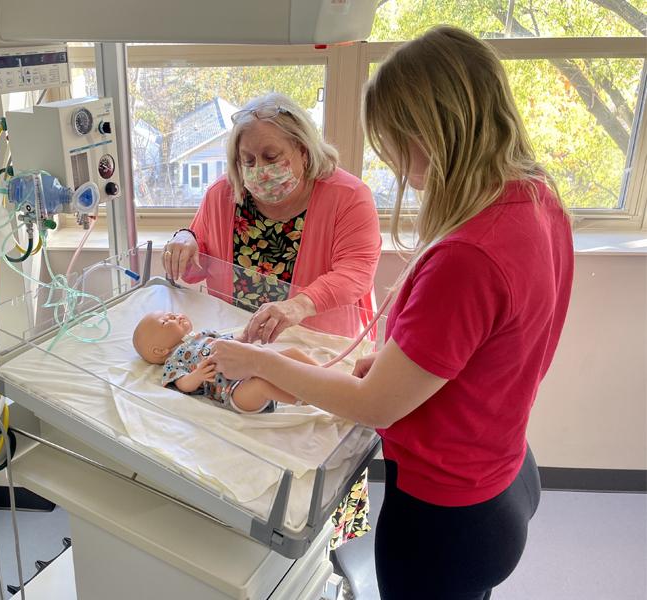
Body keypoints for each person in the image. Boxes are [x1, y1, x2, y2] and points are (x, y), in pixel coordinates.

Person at [208, 26, 573, 600]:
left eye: (398, 145)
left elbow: (377, 405)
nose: (400, 169)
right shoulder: (534, 198)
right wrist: (383, 362)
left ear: (437, 130)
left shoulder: (467, 255)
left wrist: (262, 362)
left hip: (447, 518)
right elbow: (484, 346)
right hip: (505, 473)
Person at [162, 92, 381, 549]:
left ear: (303, 150)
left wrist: (298, 305)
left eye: (271, 155)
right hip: (245, 346)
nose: (259, 168)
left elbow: (357, 271)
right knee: (248, 453)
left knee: (316, 458)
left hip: (322, 346)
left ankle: (325, 553)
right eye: (247, 158)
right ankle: (239, 538)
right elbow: (199, 247)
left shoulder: (347, 197)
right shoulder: (225, 196)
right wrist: (183, 239)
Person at [132, 310, 316, 414]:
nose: (175, 316)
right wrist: (197, 376)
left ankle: (324, 375)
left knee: (292, 353)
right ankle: (305, 399)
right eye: (166, 321)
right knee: (261, 385)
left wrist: (245, 338)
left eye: (172, 313)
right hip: (233, 390)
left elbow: (231, 345)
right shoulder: (174, 360)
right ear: (159, 350)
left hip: (252, 366)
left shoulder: (204, 334)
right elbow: (182, 384)